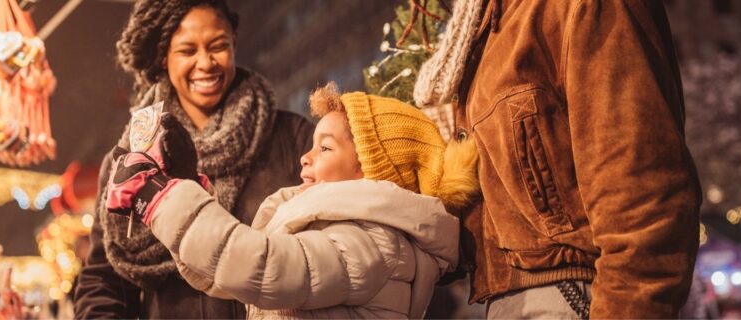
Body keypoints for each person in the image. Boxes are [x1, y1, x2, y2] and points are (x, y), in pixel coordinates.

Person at [412, 0, 702, 318]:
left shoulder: (577, 8)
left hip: (576, 296)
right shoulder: (487, 30)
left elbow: (644, 203)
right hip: (509, 302)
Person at [103, 83, 478, 318]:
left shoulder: (372, 241)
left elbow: (264, 267)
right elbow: (228, 274)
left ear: (371, 170)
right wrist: (181, 188)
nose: (305, 156)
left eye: (325, 147)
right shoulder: (341, 228)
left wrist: (159, 197)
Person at [73, 0, 313, 318]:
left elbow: (325, 251)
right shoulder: (131, 159)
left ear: (234, 44)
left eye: (217, 46)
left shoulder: (294, 139)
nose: (206, 63)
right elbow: (104, 282)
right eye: (187, 51)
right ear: (163, 57)